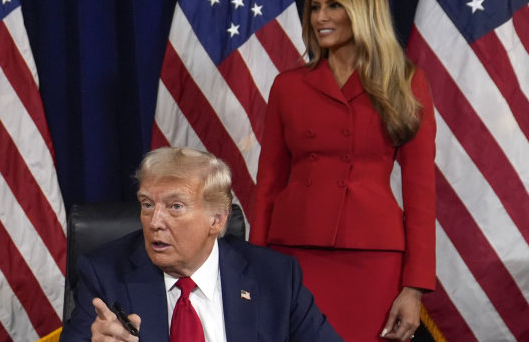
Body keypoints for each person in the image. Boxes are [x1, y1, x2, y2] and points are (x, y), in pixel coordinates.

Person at [249, 0, 436, 342]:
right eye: (315, 7)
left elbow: (421, 192)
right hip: (294, 253)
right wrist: (256, 265)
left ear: (363, 11)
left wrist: (414, 287)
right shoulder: (289, 86)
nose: (320, 17)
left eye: (333, 6)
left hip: (372, 256)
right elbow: (268, 183)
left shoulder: (404, 81)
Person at [60, 146, 343, 342]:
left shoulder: (275, 277)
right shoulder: (107, 274)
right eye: (147, 204)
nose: (154, 221)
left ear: (217, 220)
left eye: (175, 206)